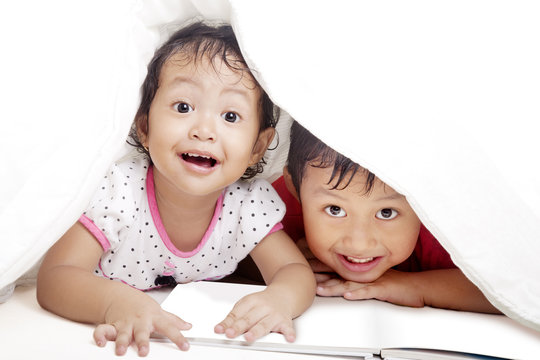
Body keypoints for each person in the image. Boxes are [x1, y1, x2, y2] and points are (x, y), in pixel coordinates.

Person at [36, 22, 316, 357]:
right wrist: (114, 303)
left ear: (258, 147)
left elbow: (294, 271)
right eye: (183, 107)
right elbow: (55, 277)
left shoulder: (246, 204)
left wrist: (280, 298)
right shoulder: (121, 192)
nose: (203, 130)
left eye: (230, 116)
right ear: (144, 127)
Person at [274, 120, 499, 314]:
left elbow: (513, 292)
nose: (359, 243)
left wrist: (416, 287)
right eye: (335, 210)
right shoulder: (283, 203)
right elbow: (241, 257)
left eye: (386, 213)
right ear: (295, 187)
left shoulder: (446, 228)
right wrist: (285, 259)